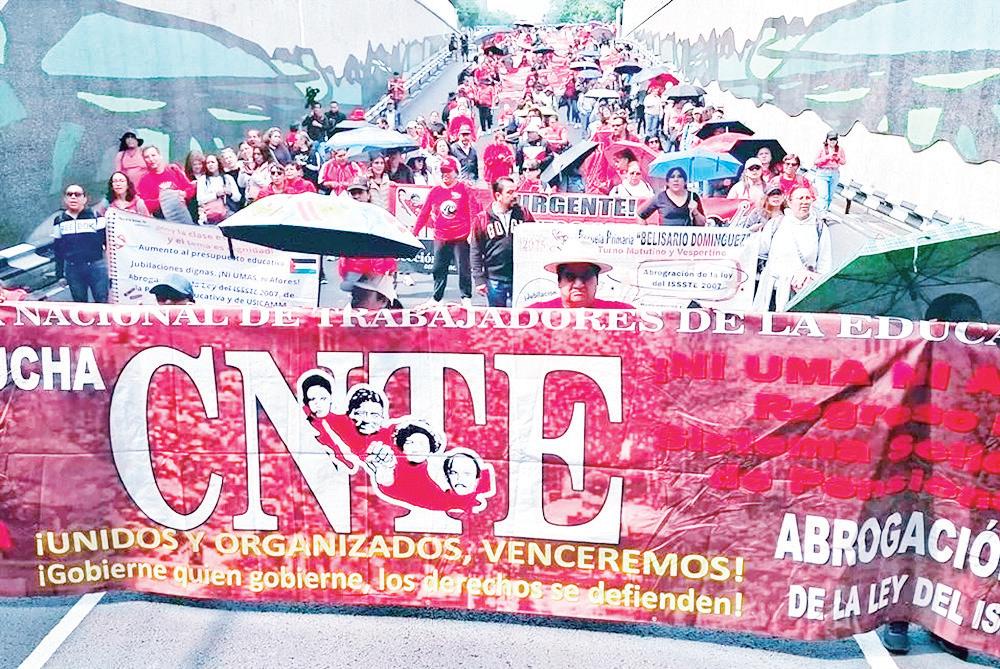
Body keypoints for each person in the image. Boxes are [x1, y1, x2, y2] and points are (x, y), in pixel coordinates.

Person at [753, 187, 832, 311]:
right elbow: (760, 250)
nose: (804, 202)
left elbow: (825, 262)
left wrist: (817, 283)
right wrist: (751, 236)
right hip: (773, 290)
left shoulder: (820, 227)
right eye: (800, 198)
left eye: (808, 198)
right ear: (789, 202)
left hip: (802, 292)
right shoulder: (775, 224)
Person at [412, 157, 473, 306]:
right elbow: (424, 213)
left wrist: (472, 231)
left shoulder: (464, 189)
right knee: (438, 268)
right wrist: (414, 232)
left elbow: (473, 210)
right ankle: (437, 297)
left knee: (463, 269)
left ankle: (466, 297)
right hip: (441, 236)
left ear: (455, 172)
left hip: (460, 236)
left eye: (448, 171)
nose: (445, 174)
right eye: (443, 171)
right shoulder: (435, 191)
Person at [472, 176, 534, 307]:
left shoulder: (524, 214)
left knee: (519, 316)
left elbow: (537, 240)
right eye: (510, 192)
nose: (515, 195)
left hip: (519, 277)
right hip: (494, 278)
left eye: (516, 191)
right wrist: (479, 280)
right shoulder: (482, 218)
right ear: (498, 195)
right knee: (497, 316)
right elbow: (475, 251)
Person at [527, 241, 634, 309]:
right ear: (559, 281)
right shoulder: (536, 314)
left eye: (586, 276)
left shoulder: (622, 314)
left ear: (597, 281)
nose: (578, 285)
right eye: (570, 277)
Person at [53, 184, 108, 303]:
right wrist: (60, 275)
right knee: (79, 307)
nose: (73, 197)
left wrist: (111, 270)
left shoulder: (96, 217)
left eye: (77, 194)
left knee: (102, 304)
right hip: (73, 270)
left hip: (96, 267)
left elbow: (107, 245)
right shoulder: (59, 220)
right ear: (65, 199)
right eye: (69, 194)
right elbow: (58, 250)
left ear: (85, 198)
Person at [136, 146, 196, 222]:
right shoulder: (144, 180)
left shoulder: (174, 170)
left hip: (184, 216)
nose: (151, 159)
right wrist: (166, 199)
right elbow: (145, 204)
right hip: (162, 220)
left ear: (160, 156)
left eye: (153, 155)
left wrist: (184, 194)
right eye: (147, 157)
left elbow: (190, 188)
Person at [638, 167, 706, 226]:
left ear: (685, 181)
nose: (676, 180)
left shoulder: (693, 197)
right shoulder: (660, 197)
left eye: (679, 176)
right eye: (672, 177)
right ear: (667, 182)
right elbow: (640, 216)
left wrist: (695, 211)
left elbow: (702, 224)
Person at [195, 154, 240, 221]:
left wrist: (230, 193)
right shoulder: (202, 179)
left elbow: (238, 198)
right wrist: (216, 195)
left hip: (228, 214)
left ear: (218, 163)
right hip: (209, 215)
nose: (210, 165)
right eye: (208, 163)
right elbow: (200, 199)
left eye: (212, 162)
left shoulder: (228, 178)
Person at [814, 130, 846, 210]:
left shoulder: (840, 149)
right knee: (823, 195)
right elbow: (816, 162)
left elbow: (843, 162)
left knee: (830, 196)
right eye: (831, 139)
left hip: (834, 173)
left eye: (834, 139)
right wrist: (827, 157)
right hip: (822, 173)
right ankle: (822, 212)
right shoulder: (822, 149)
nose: (832, 141)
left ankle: (825, 210)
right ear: (827, 140)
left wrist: (837, 158)